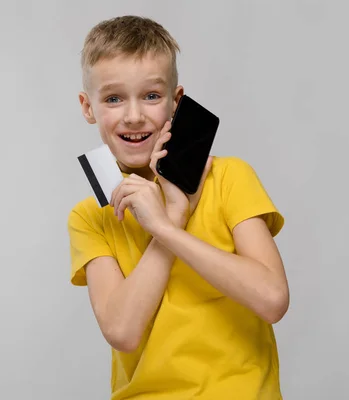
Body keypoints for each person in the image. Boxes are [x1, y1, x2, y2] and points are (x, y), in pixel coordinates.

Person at [67, 15, 289, 400]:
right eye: (114, 98)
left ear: (177, 100)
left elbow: (272, 299)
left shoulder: (228, 177)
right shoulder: (90, 216)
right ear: (88, 107)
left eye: (151, 96)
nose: (134, 115)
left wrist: (169, 227)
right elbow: (122, 331)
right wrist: (169, 219)